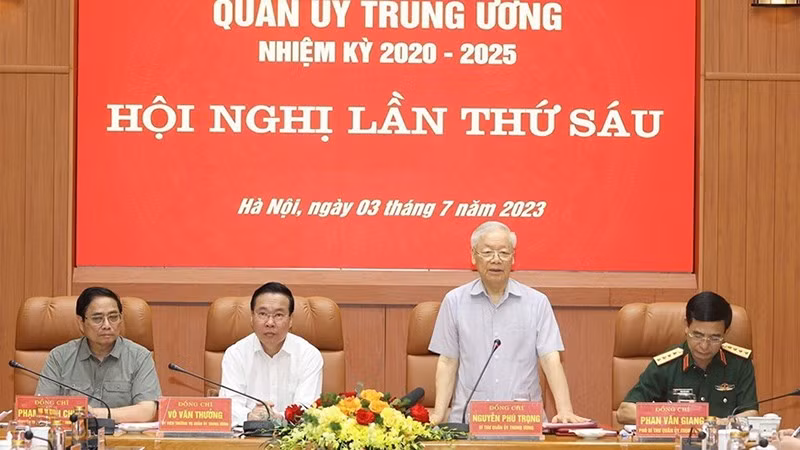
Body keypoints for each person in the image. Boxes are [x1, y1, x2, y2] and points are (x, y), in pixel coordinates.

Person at [428, 221, 587, 425]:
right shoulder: (454, 301)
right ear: (473, 256)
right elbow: (448, 361)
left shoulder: (536, 302)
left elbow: (550, 359)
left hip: (522, 421)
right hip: (470, 421)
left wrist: (565, 410)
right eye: (487, 252)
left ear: (513, 258)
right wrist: (440, 412)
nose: (496, 260)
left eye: (504, 253)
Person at [616, 291, 758, 424]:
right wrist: (676, 420)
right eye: (698, 335)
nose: (704, 345)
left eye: (715, 338)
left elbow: (750, 413)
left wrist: (719, 424)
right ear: (686, 326)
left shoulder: (739, 364)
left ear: (726, 333)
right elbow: (625, 411)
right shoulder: (667, 364)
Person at [36, 287, 161, 422]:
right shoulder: (59, 357)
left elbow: (147, 411)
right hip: (73, 438)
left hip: (121, 440)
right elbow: (42, 408)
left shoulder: (140, 357)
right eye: (97, 318)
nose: (107, 325)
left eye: (113, 317)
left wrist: (93, 414)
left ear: (121, 318)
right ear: (81, 322)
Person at [220, 282, 323, 426]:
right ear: (252, 317)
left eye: (278, 315)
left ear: (291, 319)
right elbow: (228, 406)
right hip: (245, 439)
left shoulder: (308, 355)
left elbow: (307, 409)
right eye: (262, 314)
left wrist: (276, 417)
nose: (270, 322)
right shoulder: (235, 354)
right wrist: (250, 415)